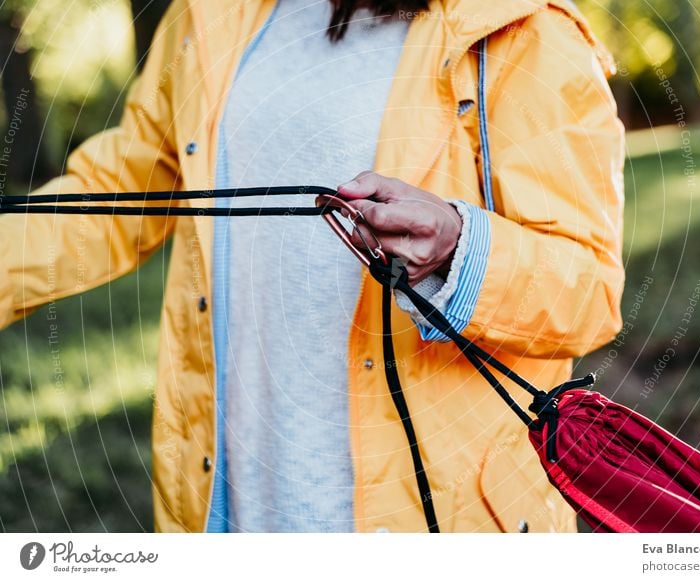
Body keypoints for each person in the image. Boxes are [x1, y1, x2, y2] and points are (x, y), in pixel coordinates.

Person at [0, 0, 625, 532]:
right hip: (233, 506)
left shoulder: (522, 28)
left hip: (435, 520)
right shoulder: (210, 15)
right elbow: (115, 194)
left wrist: (461, 248)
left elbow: (589, 287)